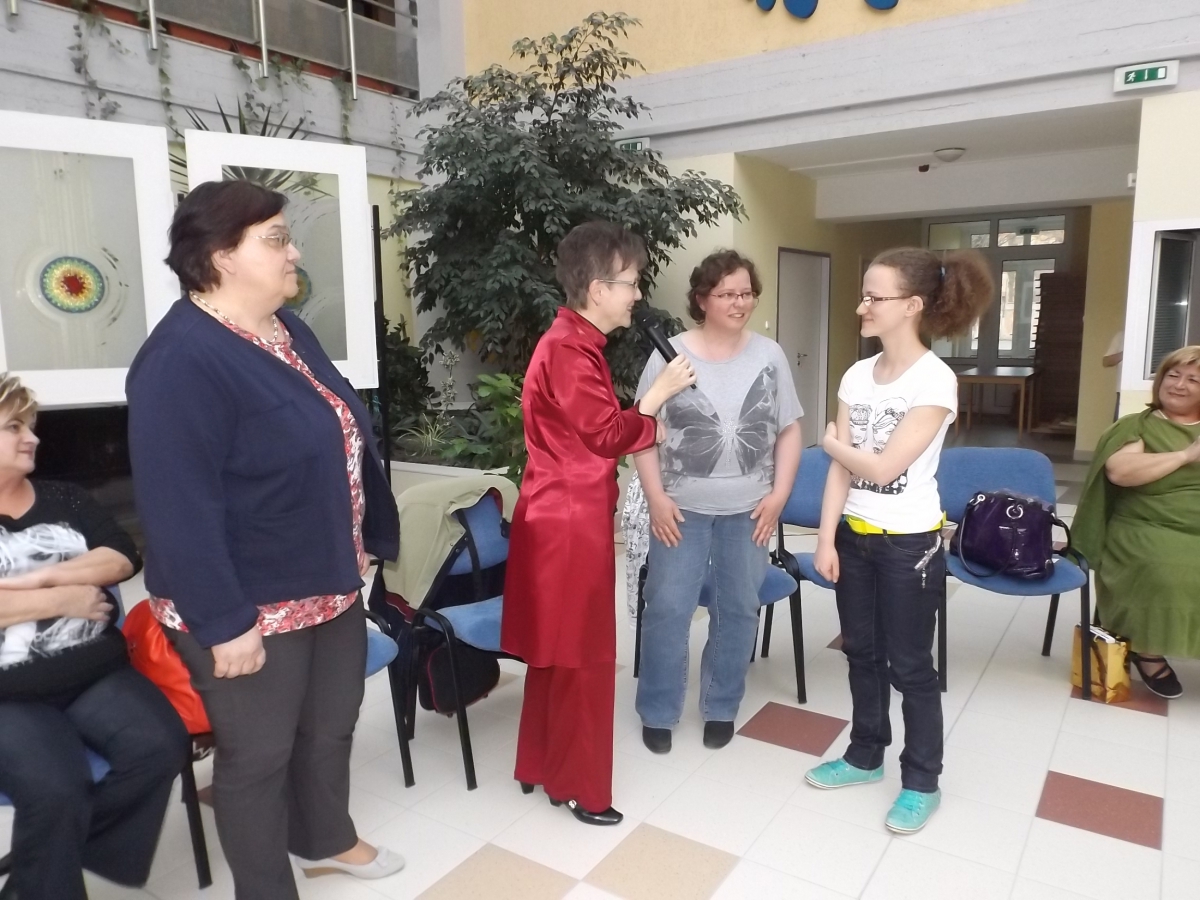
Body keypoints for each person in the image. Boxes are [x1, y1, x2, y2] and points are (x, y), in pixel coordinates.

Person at [126, 180, 401, 899]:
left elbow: (334, 432)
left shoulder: (287, 329)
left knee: (330, 726)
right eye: (276, 239)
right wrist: (225, 624)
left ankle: (325, 838)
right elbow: (178, 510)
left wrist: (364, 538)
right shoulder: (181, 360)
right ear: (221, 256)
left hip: (327, 578)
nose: (294, 251)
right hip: (247, 604)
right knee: (258, 757)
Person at [501, 221, 695, 826]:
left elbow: (591, 430)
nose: (637, 295)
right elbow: (606, 434)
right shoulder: (569, 349)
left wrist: (646, 416)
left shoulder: (572, 343)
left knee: (556, 653)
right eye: (630, 283)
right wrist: (656, 400)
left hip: (558, 513)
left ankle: (541, 765)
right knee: (582, 656)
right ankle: (580, 787)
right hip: (568, 521)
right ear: (596, 288)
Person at [805, 248, 992, 834]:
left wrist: (830, 444)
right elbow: (843, 472)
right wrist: (826, 538)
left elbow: (884, 467)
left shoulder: (935, 380)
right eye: (863, 294)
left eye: (874, 297)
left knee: (910, 666)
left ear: (912, 305)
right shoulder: (856, 375)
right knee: (860, 652)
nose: (862, 306)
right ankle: (865, 755)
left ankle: (921, 781)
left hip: (909, 544)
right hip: (854, 538)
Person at [0, 374, 188, 900]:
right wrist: (63, 600)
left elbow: (122, 555)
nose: (32, 438)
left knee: (163, 748)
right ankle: (46, 866)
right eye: (14, 427)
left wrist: (39, 579)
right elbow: (92, 575)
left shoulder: (65, 497)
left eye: (31, 426)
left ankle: (49, 856)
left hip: (94, 674)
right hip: (8, 697)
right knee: (58, 790)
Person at [633, 250, 803, 753]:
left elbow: (789, 429)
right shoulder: (670, 355)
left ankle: (721, 705)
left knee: (739, 609)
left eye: (746, 293)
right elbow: (642, 430)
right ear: (702, 299)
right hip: (680, 510)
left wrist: (779, 495)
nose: (740, 302)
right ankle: (658, 711)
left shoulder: (769, 355)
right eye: (727, 293)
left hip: (749, 511)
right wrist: (656, 497)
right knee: (668, 607)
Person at [1074, 345, 1200, 699]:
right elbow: (1120, 471)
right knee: (1167, 570)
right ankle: (1148, 651)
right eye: (1173, 375)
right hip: (1146, 527)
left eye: (1193, 379)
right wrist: (1186, 455)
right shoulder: (1137, 426)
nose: (1179, 384)